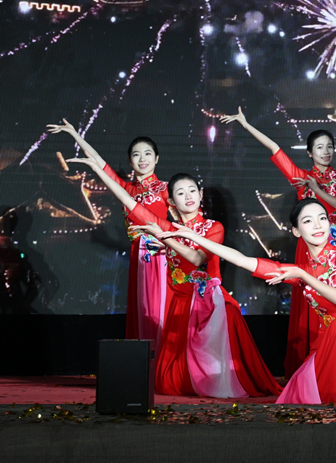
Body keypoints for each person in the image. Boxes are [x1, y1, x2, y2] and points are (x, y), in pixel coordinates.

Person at [66, 156, 280, 397]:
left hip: (211, 303)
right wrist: (99, 170)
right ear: (171, 201)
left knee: (220, 371)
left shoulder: (213, 227)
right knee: (169, 384)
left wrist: (166, 238)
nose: (188, 196)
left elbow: (197, 259)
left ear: (200, 194)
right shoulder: (167, 228)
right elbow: (128, 201)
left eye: (192, 190)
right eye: (180, 193)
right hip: (181, 304)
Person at [157, 198, 336, 404]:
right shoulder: (299, 271)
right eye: (308, 221)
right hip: (330, 343)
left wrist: (303, 276)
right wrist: (193, 237)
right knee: (295, 396)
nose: (318, 225)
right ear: (296, 231)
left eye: (322, 218)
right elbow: (242, 260)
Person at [220, 108, 336, 378]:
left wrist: (315, 189)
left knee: (334, 299)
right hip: (309, 248)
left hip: (335, 247)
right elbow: (275, 149)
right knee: (309, 298)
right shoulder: (301, 177)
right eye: (319, 147)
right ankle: (308, 366)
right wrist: (246, 125)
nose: (326, 152)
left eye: (329, 146)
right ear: (310, 153)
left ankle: (335, 361)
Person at [47, 120, 169, 343]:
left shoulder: (167, 188)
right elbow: (98, 162)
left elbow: (187, 221)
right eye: (136, 154)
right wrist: (75, 134)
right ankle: (147, 360)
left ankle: (164, 358)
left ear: (157, 158)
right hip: (137, 255)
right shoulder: (126, 189)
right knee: (142, 310)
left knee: (159, 309)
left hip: (161, 255)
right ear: (130, 161)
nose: (142, 159)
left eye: (148, 154)